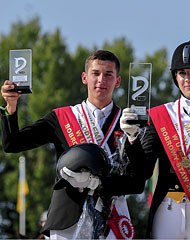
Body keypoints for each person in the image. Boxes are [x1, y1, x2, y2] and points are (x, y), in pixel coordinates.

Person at [1, 50, 145, 239]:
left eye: (108, 74)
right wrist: (11, 107)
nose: (101, 80)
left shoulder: (129, 121)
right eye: (95, 73)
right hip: (66, 223)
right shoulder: (62, 118)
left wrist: (133, 140)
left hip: (113, 221)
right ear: (84, 77)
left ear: (117, 81)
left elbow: (137, 182)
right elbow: (13, 144)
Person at [120, 40, 190, 239]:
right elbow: (142, 172)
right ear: (175, 77)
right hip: (169, 208)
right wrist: (132, 139)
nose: (188, 79)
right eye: (182, 73)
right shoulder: (161, 117)